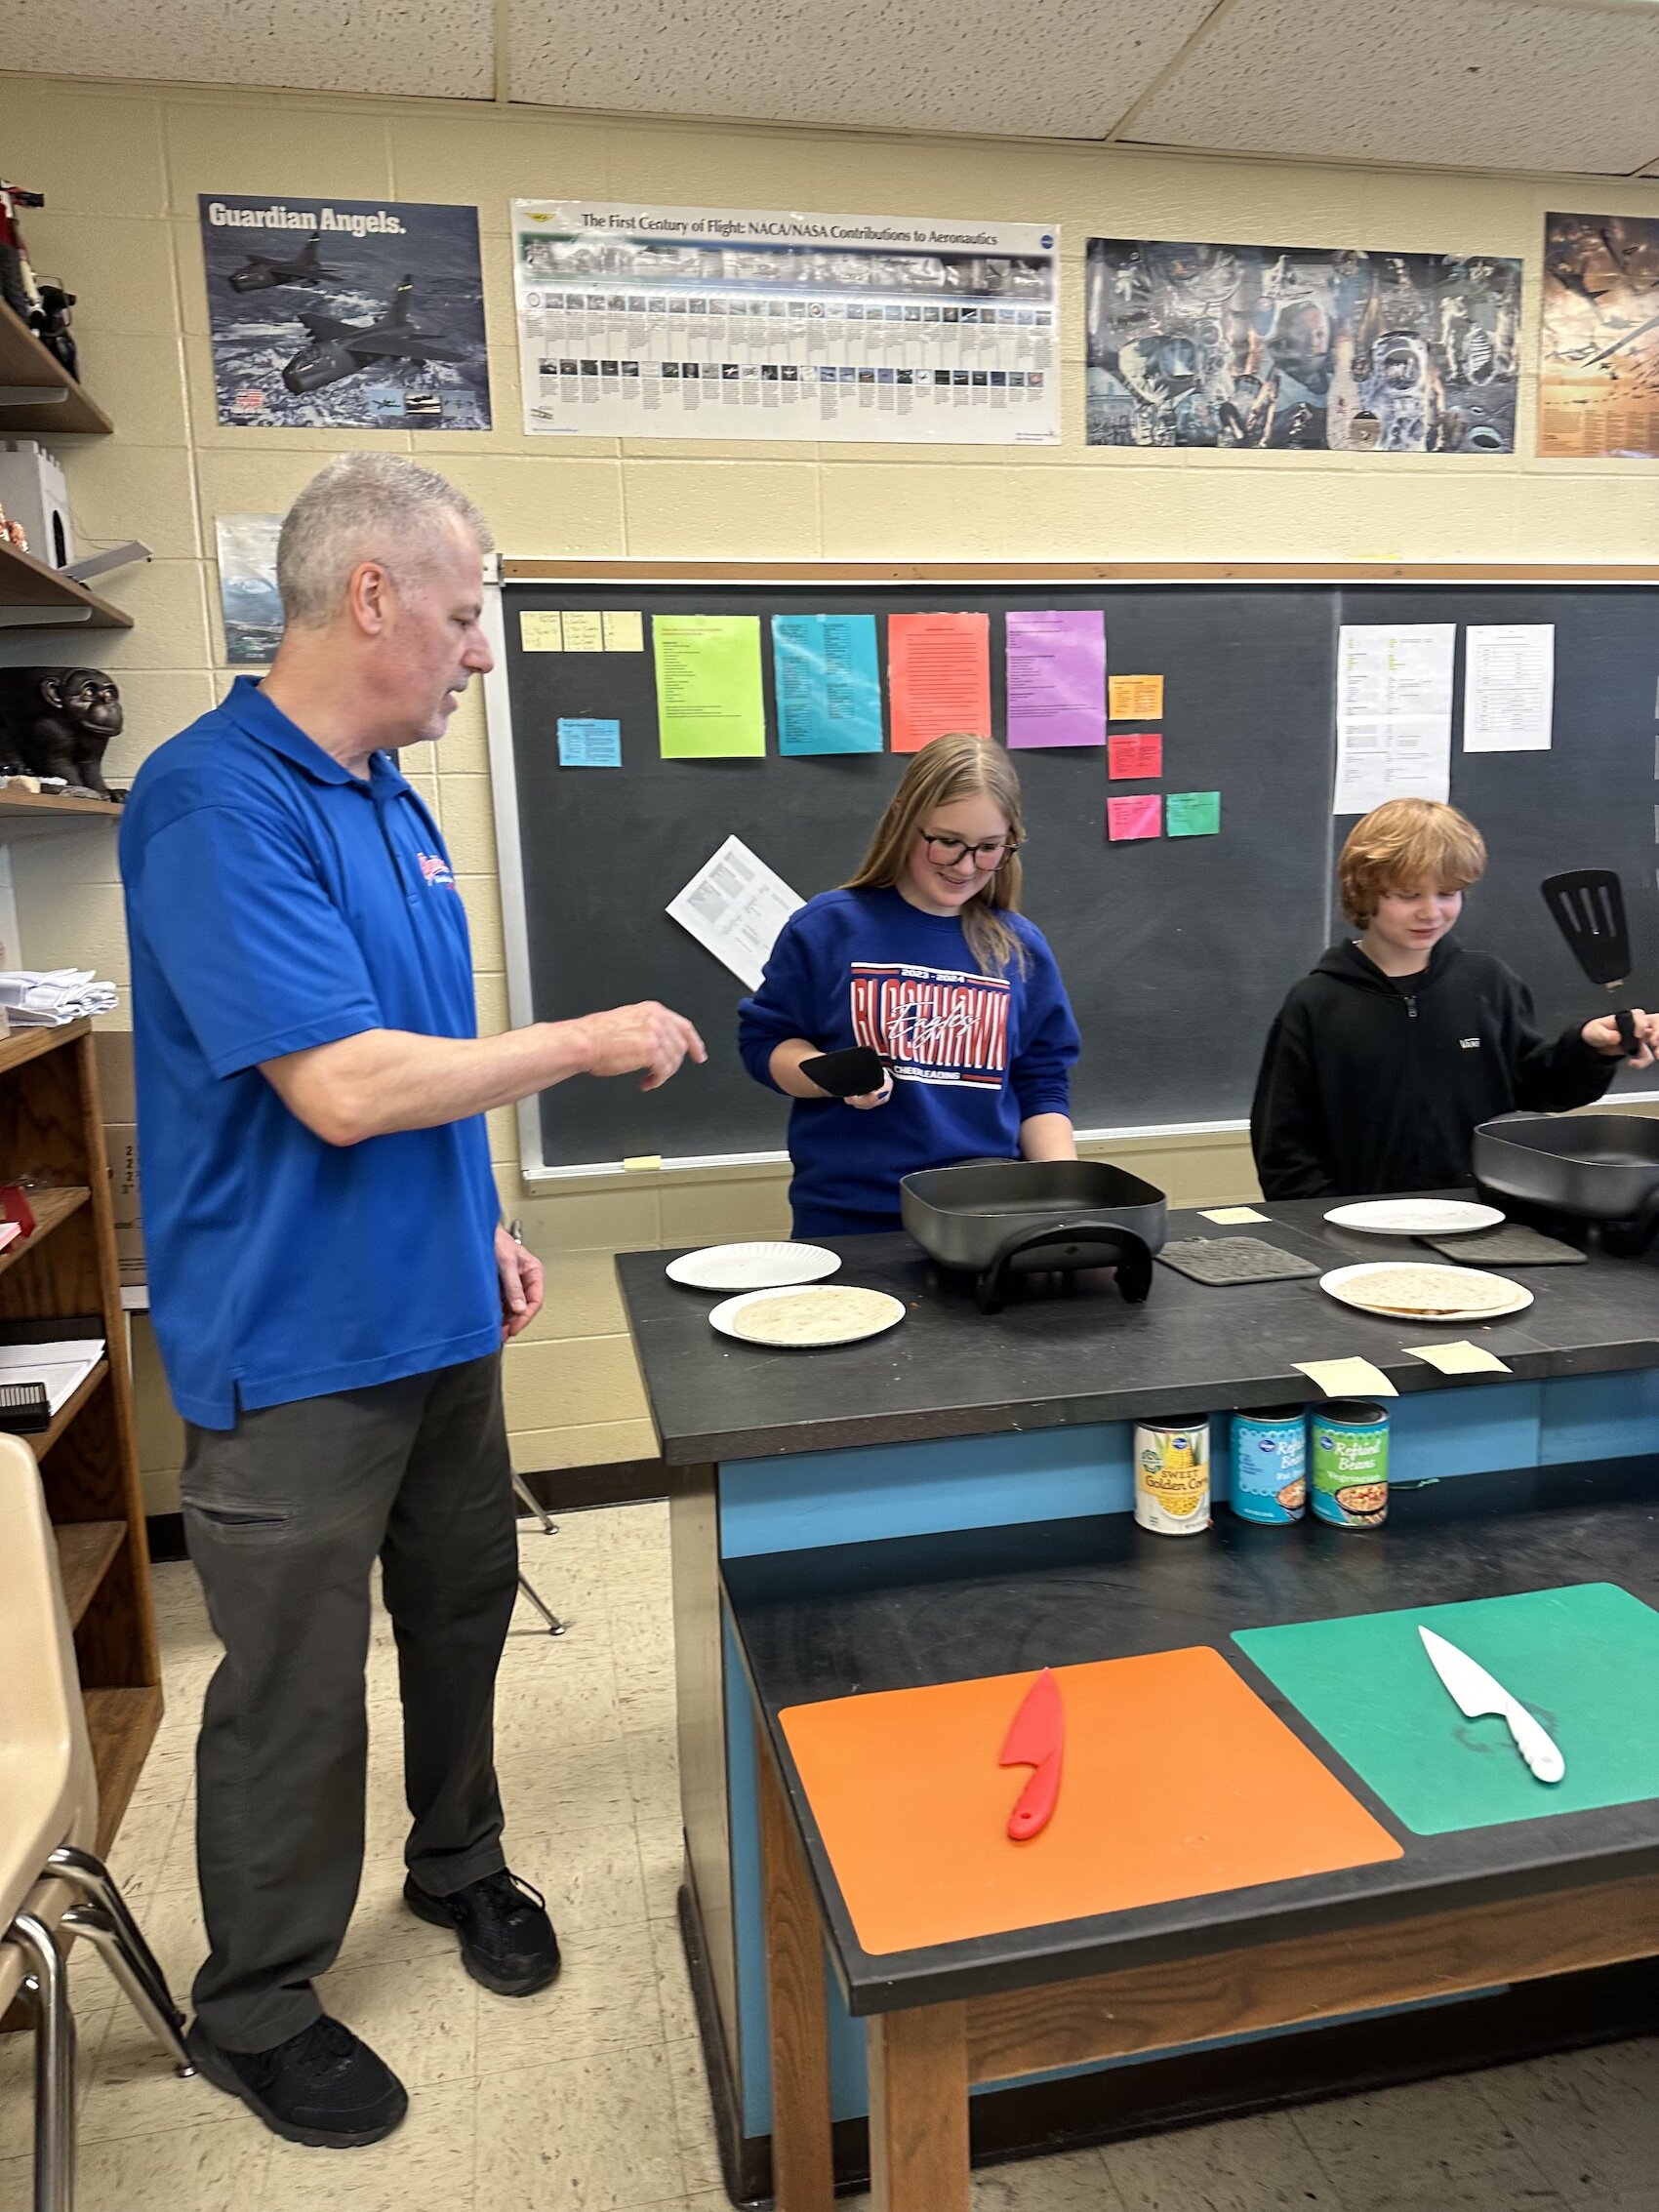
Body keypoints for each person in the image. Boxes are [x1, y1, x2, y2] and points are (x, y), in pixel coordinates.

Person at [118, 454, 704, 2150]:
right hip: (298, 1346)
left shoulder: (395, 800)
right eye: (463, 615)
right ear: (369, 594)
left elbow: (436, 1069)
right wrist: (592, 1039)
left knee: (461, 1611)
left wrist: (493, 1219)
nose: (481, 652)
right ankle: (259, 2003)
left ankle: (459, 1863)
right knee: (294, 1683)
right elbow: (348, 1087)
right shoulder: (213, 801)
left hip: (442, 1309)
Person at [738, 732, 1079, 1236]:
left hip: (985, 1219)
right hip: (850, 1220)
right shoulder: (827, 928)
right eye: (946, 842)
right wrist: (830, 1076)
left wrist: (1065, 1196)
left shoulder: (1019, 949)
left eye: (988, 849)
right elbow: (764, 1044)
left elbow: (1042, 1082)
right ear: (903, 819)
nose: (965, 867)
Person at [1250, 797, 1658, 1199]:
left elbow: (1540, 1090)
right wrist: (1332, 1215)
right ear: (1364, 890)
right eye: (1409, 895)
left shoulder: (1487, 984)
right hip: (1356, 1229)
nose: (1431, 912)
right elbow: (1282, 1146)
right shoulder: (1317, 1003)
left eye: (1448, 893)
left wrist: (1589, 1047)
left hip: (1486, 1222)